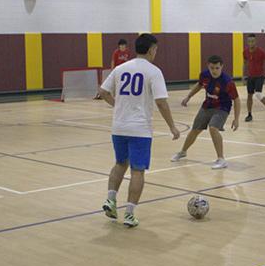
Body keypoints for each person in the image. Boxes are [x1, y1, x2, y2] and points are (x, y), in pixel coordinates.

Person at [99, 33, 180, 228]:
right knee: (137, 171)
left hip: (119, 126)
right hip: (140, 129)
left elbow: (103, 92)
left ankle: (110, 199)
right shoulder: (153, 71)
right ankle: (129, 213)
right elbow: (161, 102)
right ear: (152, 49)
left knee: (120, 164)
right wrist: (172, 126)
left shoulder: (120, 68)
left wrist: (118, 105)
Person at [171, 55, 241, 169]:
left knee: (213, 128)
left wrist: (236, 119)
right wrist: (188, 96)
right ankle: (183, 152)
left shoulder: (227, 82)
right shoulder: (204, 75)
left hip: (222, 108)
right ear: (208, 66)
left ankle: (221, 159)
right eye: (212, 68)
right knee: (195, 130)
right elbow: (199, 85)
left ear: (221, 67)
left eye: (217, 68)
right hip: (207, 105)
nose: (214, 70)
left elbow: (236, 100)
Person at [243, 34, 265, 122]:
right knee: (249, 95)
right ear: (247, 42)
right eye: (249, 41)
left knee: (258, 94)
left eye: (252, 41)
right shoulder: (245, 52)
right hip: (250, 77)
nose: (251, 43)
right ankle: (249, 114)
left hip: (259, 76)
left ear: (255, 41)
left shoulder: (261, 52)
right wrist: (243, 75)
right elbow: (245, 63)